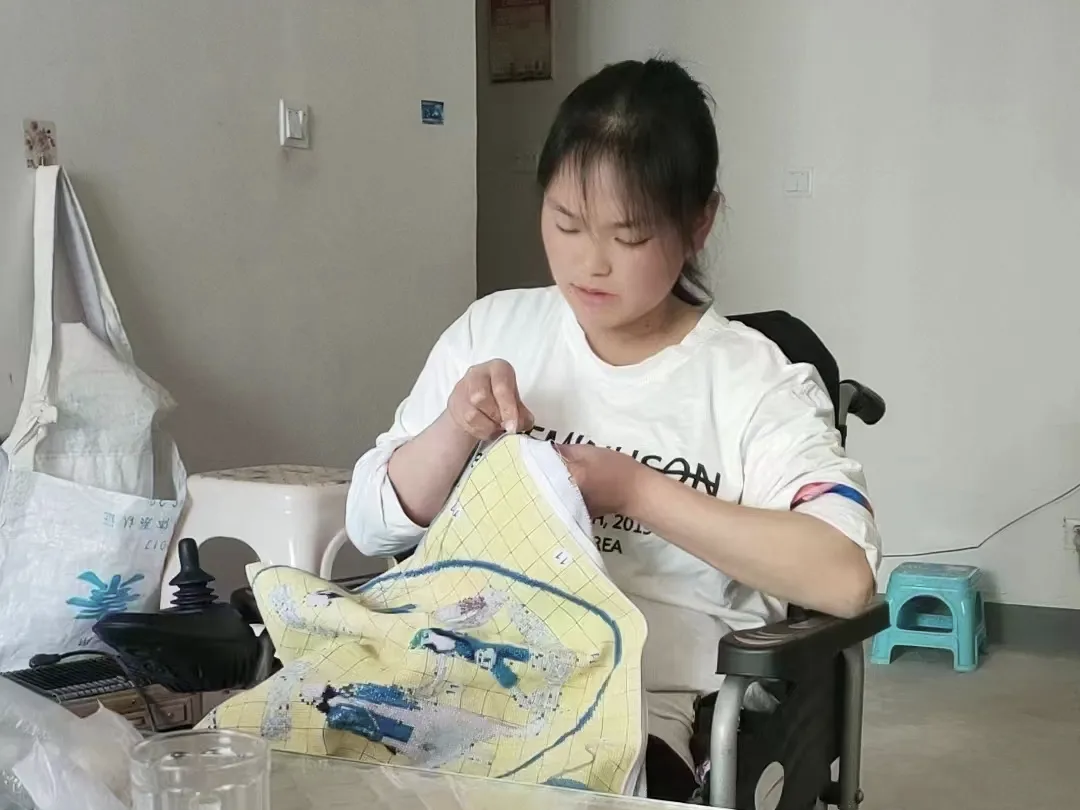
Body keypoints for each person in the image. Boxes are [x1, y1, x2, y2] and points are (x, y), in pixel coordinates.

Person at [346, 57, 881, 802]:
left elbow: (845, 577)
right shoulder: (492, 330)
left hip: (629, 707)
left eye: (627, 237)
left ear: (699, 222)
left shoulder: (754, 382)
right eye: (566, 223)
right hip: (452, 671)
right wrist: (454, 428)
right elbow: (369, 526)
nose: (588, 262)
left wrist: (635, 491)